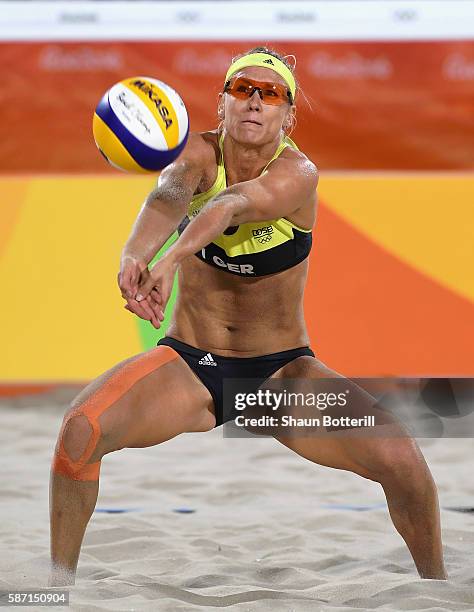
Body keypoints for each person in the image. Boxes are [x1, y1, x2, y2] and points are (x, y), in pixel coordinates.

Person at [49, 47, 447, 586]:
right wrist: (133, 255)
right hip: (190, 365)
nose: (255, 101)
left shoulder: (297, 174)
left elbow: (229, 205)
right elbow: (168, 195)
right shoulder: (195, 157)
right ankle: (54, 588)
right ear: (221, 105)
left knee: (403, 464)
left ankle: (438, 590)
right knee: (80, 432)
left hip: (278, 376)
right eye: (242, 89)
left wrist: (168, 259)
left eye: (272, 93)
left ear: (289, 115)